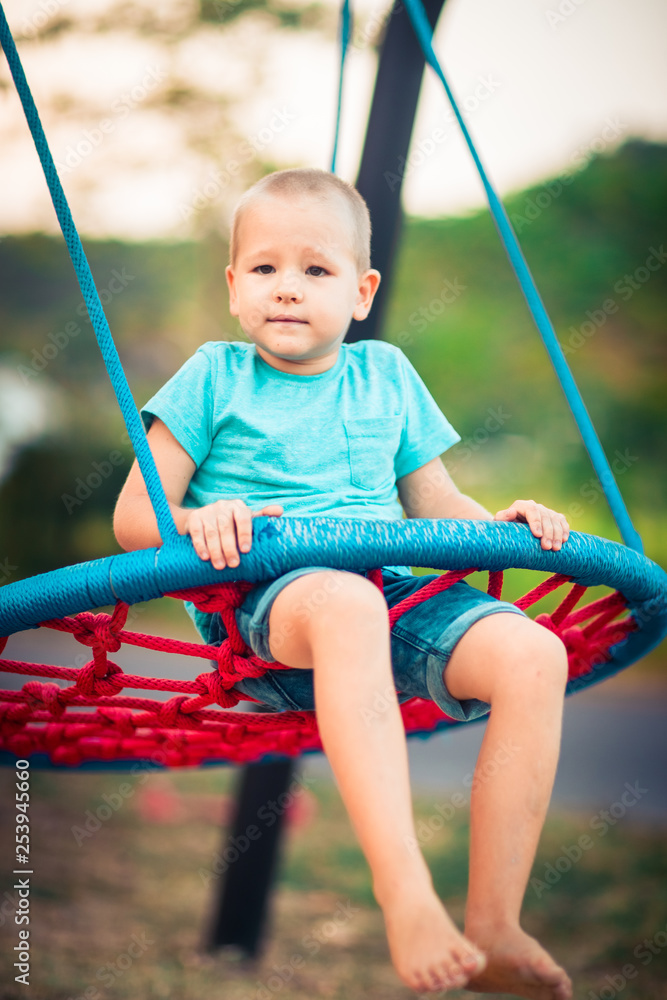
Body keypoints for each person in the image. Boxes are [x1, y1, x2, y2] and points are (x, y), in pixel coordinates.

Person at [113, 167, 573, 999]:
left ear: (361, 293)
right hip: (264, 607)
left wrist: (500, 525)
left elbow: (436, 506)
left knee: (535, 655)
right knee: (349, 601)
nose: (286, 287)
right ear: (233, 286)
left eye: (315, 269)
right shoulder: (214, 376)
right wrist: (195, 522)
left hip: (390, 595)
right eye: (264, 268)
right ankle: (404, 894)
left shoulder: (385, 375)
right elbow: (135, 519)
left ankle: (494, 925)